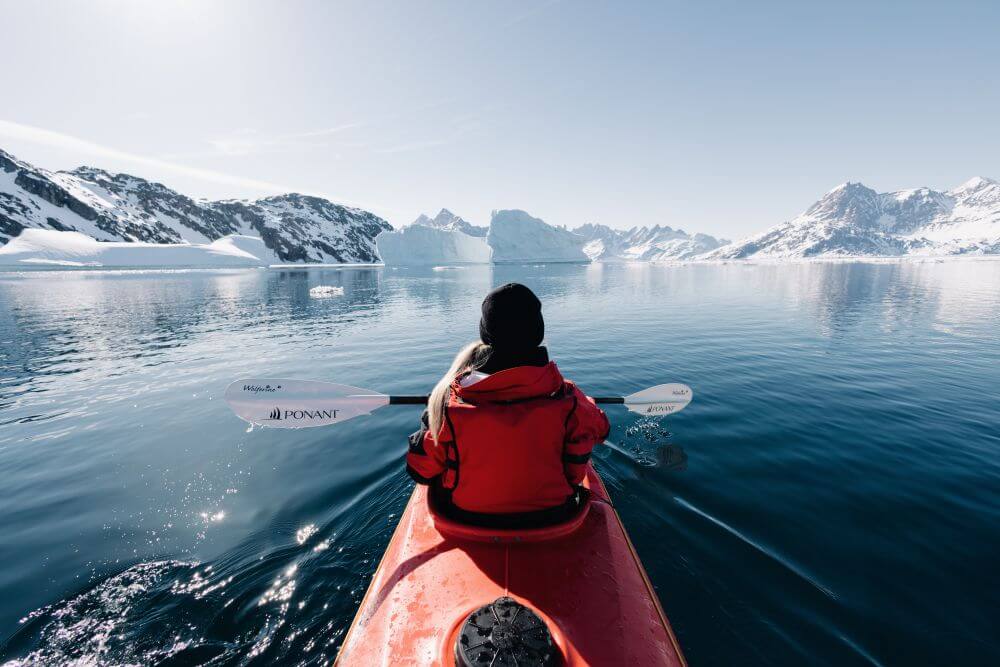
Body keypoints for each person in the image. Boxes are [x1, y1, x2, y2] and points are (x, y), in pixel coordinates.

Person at [406, 283, 610, 528]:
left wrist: (429, 419)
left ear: (486, 334)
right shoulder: (569, 399)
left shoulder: (449, 404)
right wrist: (587, 404)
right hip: (554, 517)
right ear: (538, 333)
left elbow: (421, 471)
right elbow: (603, 430)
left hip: (467, 517)